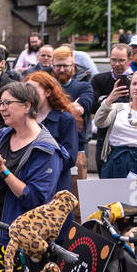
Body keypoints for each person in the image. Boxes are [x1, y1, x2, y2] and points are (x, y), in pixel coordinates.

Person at [0, 82, 69, 272]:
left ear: (27, 106)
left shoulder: (46, 149)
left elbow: (35, 198)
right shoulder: (2, 135)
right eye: (0, 103)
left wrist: (2, 169)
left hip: (20, 229)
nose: (1, 108)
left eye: (7, 103)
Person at [24, 71, 82, 191]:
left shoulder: (65, 119)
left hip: (55, 184)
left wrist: (42, 165)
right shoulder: (23, 118)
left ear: (48, 92)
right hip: (27, 182)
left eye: (33, 90)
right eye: (26, 91)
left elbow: (70, 158)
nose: (28, 95)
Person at [50, 46, 93, 183]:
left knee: (76, 196)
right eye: (58, 66)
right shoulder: (45, 86)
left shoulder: (83, 87)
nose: (62, 70)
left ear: (73, 65)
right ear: (52, 65)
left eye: (65, 66)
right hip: (49, 146)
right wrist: (70, 105)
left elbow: (79, 110)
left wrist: (51, 105)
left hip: (77, 148)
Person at [91, 44, 133, 173]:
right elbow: (93, 108)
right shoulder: (98, 80)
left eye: (121, 60)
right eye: (114, 60)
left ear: (129, 59)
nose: (117, 64)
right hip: (104, 138)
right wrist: (110, 98)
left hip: (131, 138)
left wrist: (103, 102)